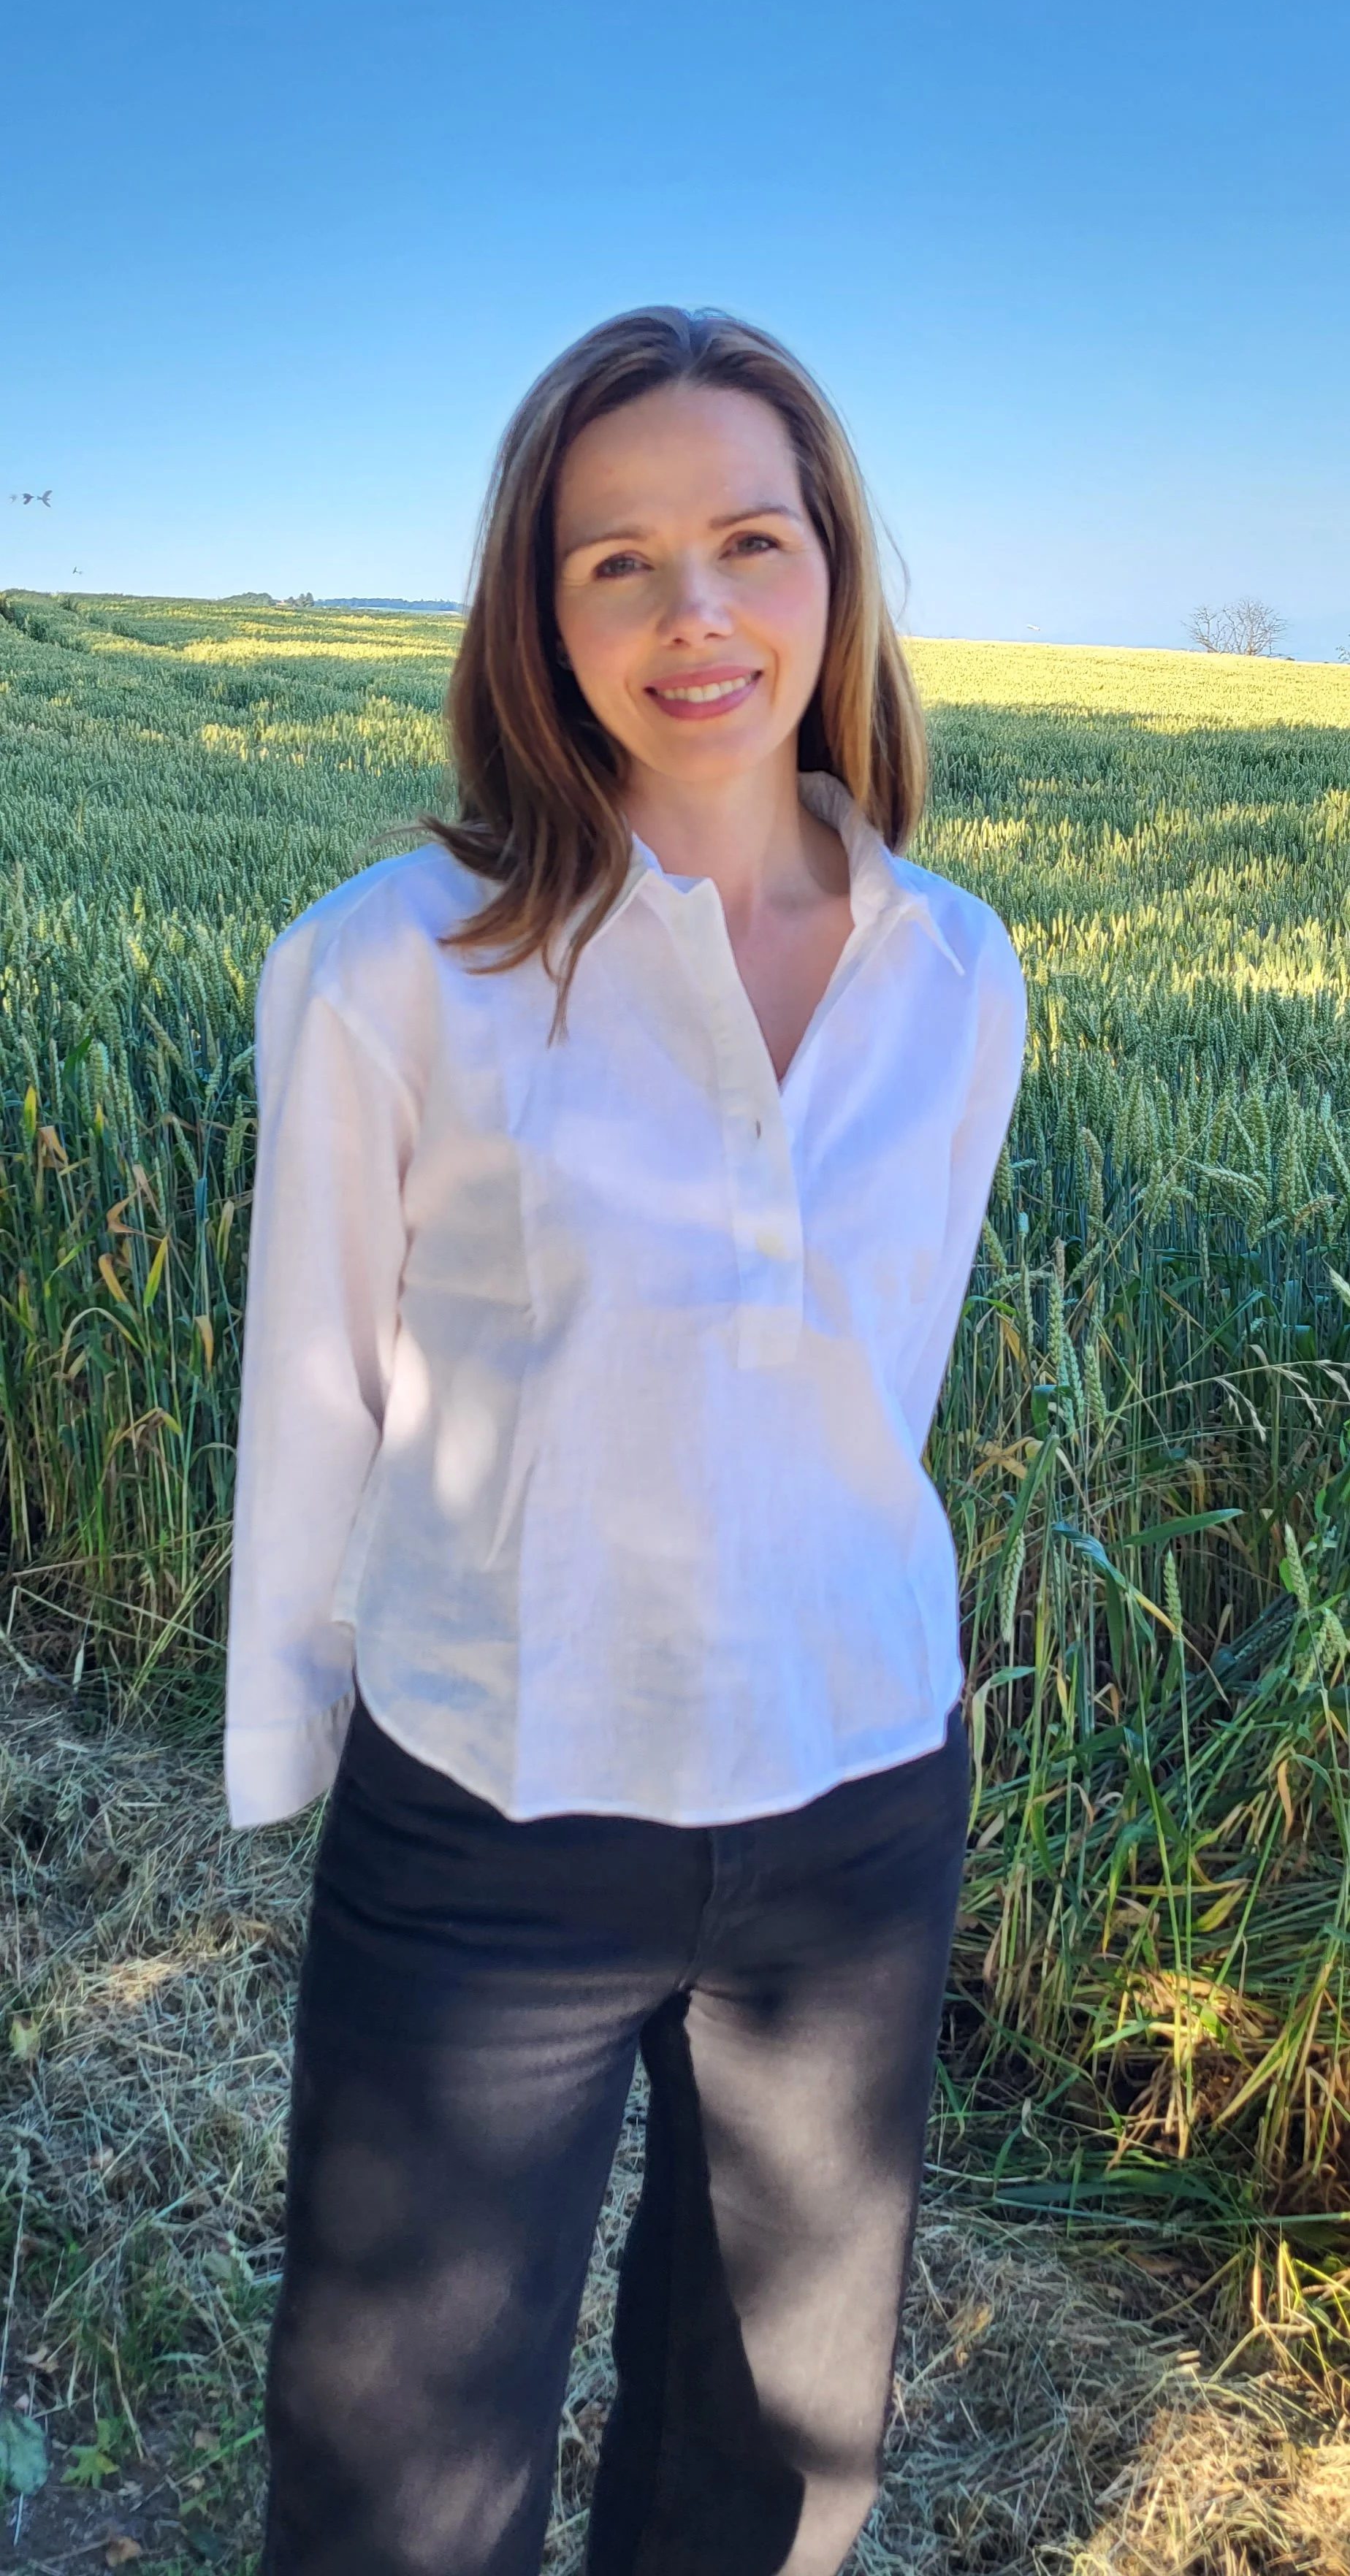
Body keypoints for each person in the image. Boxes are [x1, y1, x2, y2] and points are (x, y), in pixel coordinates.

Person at [226, 307, 1026, 2576]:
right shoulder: (393, 968)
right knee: (396, 2485)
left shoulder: (962, 973)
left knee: (773, 2468)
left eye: (751, 543)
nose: (698, 617)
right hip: (497, 1809)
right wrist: (298, 1749)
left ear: (836, 573)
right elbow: (317, 1390)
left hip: (858, 1802)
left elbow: (884, 1375)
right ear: (536, 612)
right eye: (619, 564)